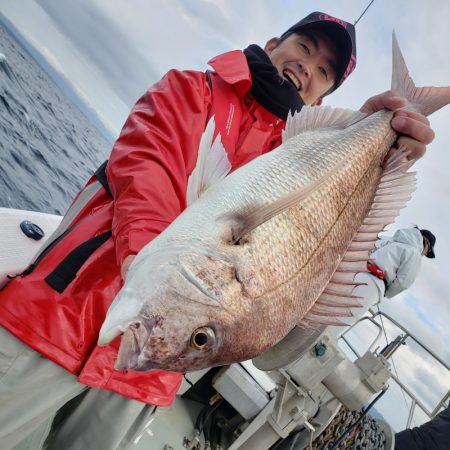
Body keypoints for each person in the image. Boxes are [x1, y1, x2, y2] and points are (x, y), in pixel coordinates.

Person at [0, 11, 435, 450]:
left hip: (145, 376)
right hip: (56, 316)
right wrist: (145, 262)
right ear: (270, 46)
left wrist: (383, 150)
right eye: (304, 47)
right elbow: (147, 163)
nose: (309, 67)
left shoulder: (298, 152)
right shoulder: (195, 90)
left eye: (324, 72)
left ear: (320, 103)